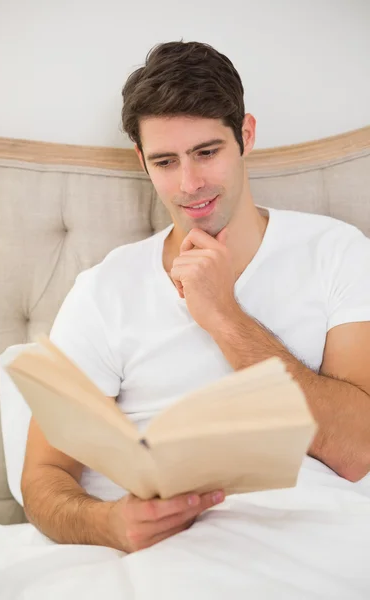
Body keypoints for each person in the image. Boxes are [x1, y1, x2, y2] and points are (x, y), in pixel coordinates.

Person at [20, 41, 370, 553]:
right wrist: (109, 524)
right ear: (142, 161)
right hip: (160, 552)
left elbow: (358, 448)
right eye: (165, 161)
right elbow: (42, 478)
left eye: (207, 152)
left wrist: (224, 316)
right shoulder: (104, 290)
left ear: (245, 135)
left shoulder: (336, 251)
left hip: (309, 538)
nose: (189, 184)